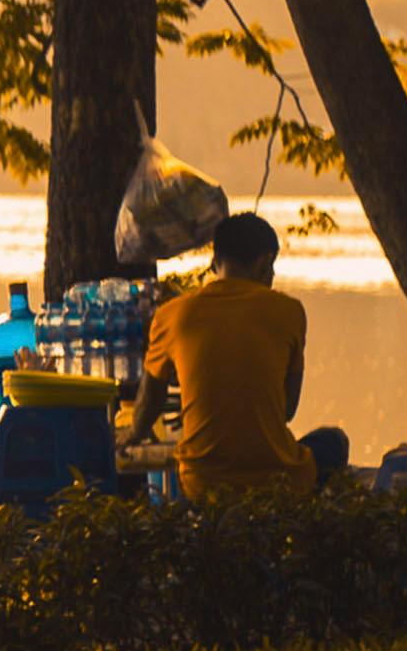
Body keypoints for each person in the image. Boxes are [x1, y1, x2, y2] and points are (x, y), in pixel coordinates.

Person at [132, 212, 346, 498]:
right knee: (334, 441)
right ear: (263, 263)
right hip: (278, 482)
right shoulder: (290, 312)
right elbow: (286, 410)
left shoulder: (171, 315)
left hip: (201, 484)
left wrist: (132, 435)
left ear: (214, 261)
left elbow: (147, 408)